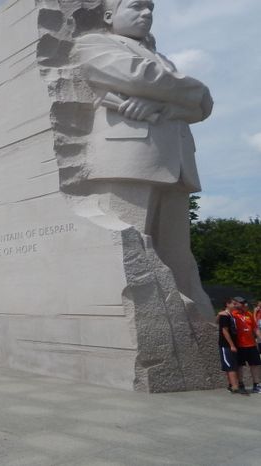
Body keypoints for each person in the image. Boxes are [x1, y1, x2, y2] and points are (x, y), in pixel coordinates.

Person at [72, 0, 213, 304]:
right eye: (137, 6)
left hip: (176, 162)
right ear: (109, 15)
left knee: (177, 254)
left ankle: (185, 312)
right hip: (129, 156)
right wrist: (191, 94)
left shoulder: (162, 60)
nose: (147, 13)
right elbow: (139, 76)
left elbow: (204, 106)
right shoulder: (93, 44)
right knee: (131, 244)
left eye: (151, 8)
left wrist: (164, 104)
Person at [229, 297, 261, 393]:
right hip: (239, 345)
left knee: (255, 365)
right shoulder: (233, 315)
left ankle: (256, 385)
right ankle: (240, 384)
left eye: (245, 303)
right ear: (236, 304)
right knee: (240, 366)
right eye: (242, 303)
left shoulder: (249, 314)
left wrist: (259, 337)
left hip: (251, 344)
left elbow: (255, 328)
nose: (244, 305)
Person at [217, 299, 246, 394]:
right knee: (230, 366)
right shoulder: (224, 316)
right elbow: (224, 331)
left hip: (233, 344)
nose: (235, 305)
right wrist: (232, 345)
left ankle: (232, 385)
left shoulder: (230, 315)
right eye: (233, 303)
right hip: (226, 345)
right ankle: (235, 386)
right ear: (227, 304)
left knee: (233, 365)